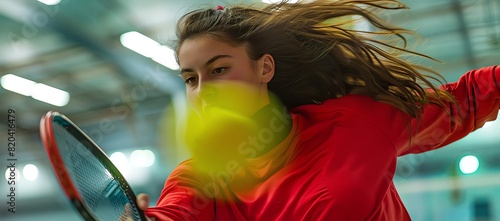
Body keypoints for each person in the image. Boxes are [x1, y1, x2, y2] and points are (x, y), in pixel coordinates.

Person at [129, 0, 499, 220]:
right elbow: (174, 214)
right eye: (191, 79)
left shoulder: (355, 123)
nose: (204, 90)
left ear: (265, 68)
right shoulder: (197, 178)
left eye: (219, 69)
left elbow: (464, 99)